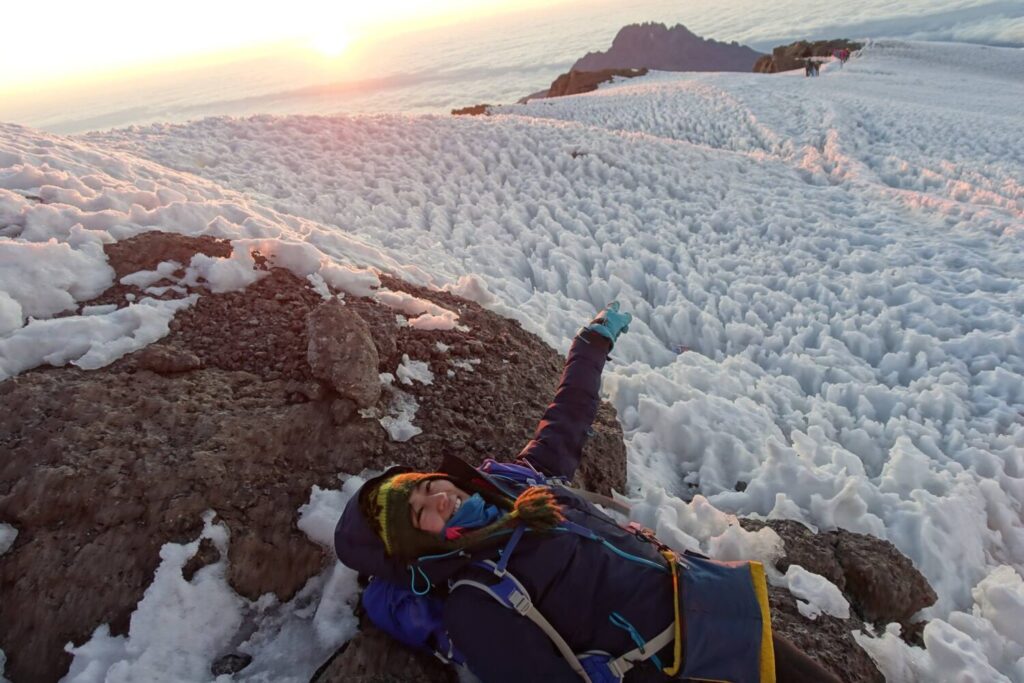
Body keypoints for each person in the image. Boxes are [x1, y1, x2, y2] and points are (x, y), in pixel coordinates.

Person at [334, 303, 842, 683]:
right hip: (674, 665)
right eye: (420, 513)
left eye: (427, 487)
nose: (438, 498)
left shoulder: (514, 485)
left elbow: (566, 420)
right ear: (420, 546)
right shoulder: (477, 603)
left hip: (704, 607)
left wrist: (589, 347)